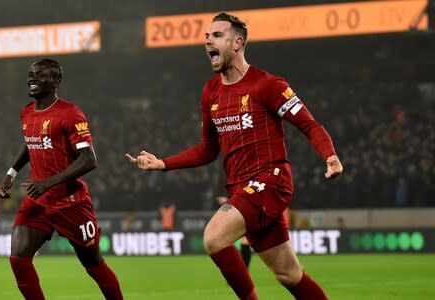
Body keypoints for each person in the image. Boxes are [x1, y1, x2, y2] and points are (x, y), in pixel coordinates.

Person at [126, 12, 343, 300]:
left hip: (271, 180)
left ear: (237, 42)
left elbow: (308, 124)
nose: (207, 41)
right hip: (242, 189)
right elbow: (208, 149)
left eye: (216, 35)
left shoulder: (267, 84)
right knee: (289, 275)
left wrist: (329, 155)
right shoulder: (211, 91)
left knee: (214, 237)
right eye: (206, 36)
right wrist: (163, 163)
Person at [0, 59, 124, 300]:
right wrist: (11, 173)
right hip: (38, 202)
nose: (32, 78)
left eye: (40, 75)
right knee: (18, 259)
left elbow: (89, 159)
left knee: (93, 265)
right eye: (30, 74)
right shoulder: (27, 112)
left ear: (56, 81)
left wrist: (48, 182)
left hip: (71, 203)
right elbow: (30, 141)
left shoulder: (70, 113)